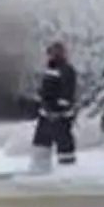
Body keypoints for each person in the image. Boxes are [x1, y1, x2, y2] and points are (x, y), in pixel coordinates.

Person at [29, 41, 78, 172]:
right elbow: (47, 90)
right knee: (41, 140)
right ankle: (39, 166)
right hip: (46, 112)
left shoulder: (67, 70)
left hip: (60, 115)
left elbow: (67, 92)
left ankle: (67, 168)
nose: (53, 56)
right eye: (51, 53)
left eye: (57, 53)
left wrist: (59, 110)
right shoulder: (49, 70)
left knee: (63, 141)